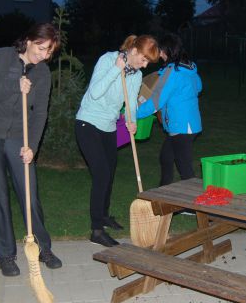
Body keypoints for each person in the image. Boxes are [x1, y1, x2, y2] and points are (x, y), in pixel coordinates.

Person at [0, 23, 63, 277]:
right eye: (41, 48)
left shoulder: (43, 73)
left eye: (49, 52)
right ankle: (6, 255)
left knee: (29, 192)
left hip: (18, 136)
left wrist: (32, 146)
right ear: (29, 40)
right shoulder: (0, 57)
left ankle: (43, 248)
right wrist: (14, 86)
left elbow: (40, 113)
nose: (44, 55)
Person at [75, 35, 160, 247]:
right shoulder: (108, 59)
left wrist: (131, 120)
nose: (145, 64)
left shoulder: (136, 75)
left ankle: (103, 215)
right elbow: (94, 93)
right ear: (133, 51)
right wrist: (116, 69)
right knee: (102, 172)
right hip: (88, 122)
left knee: (109, 171)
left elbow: (130, 100)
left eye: (148, 62)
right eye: (144, 59)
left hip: (109, 125)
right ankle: (96, 230)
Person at [137, 33, 202, 186]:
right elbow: (199, 86)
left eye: (159, 49)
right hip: (189, 124)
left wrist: (133, 114)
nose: (158, 53)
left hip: (181, 126)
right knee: (166, 157)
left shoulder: (171, 72)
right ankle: (164, 193)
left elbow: (155, 101)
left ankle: (194, 207)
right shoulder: (189, 67)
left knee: (184, 167)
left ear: (165, 51)